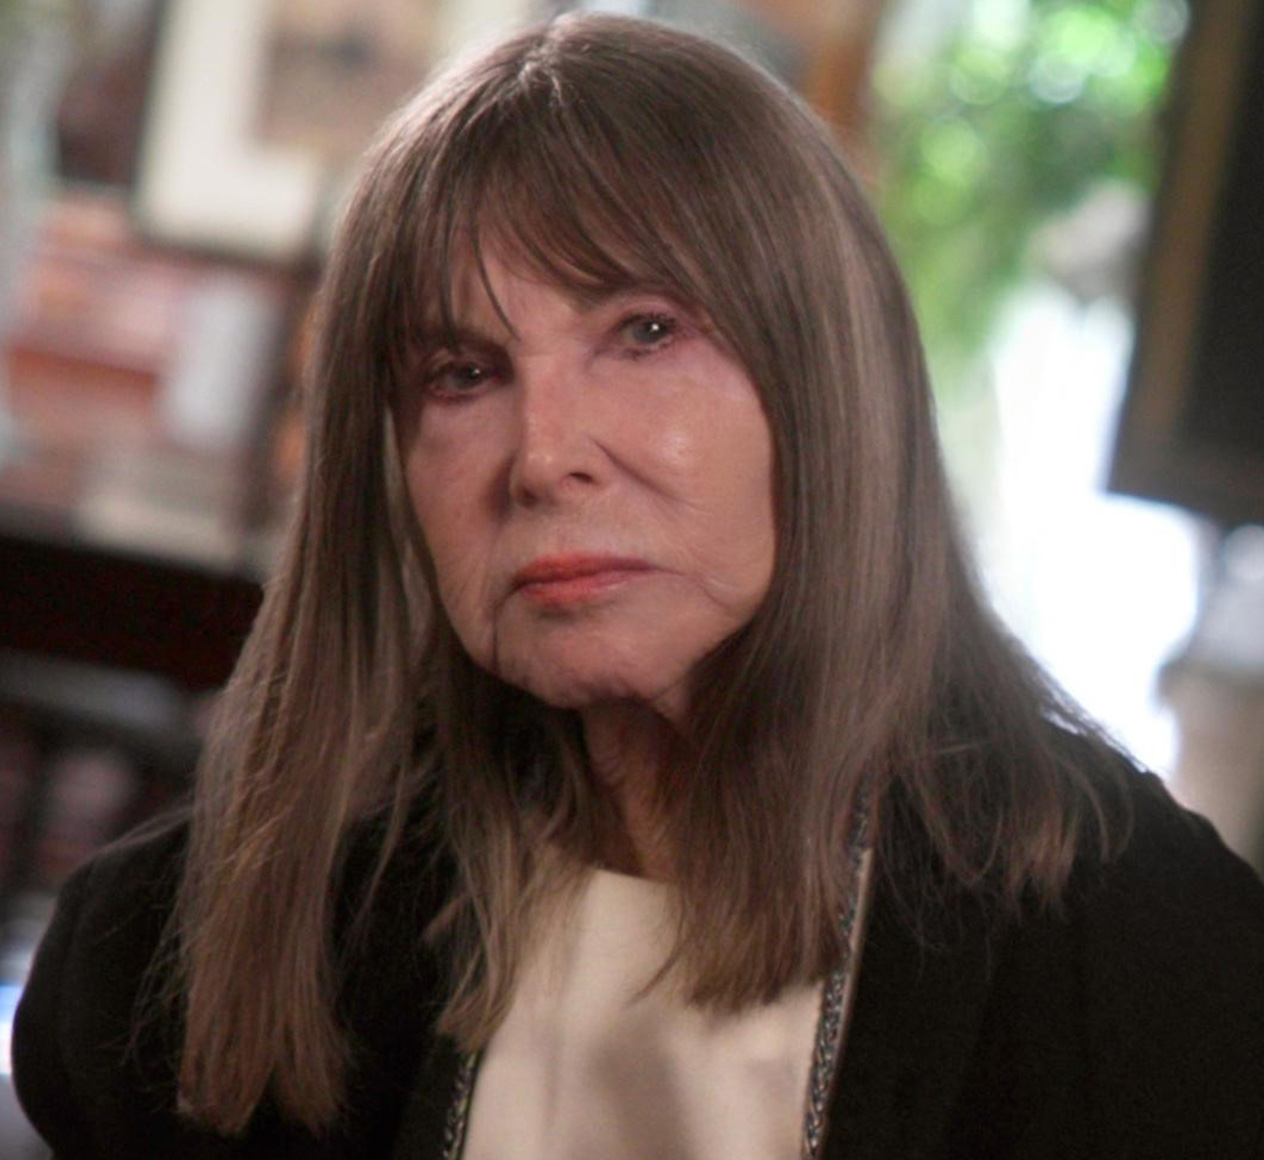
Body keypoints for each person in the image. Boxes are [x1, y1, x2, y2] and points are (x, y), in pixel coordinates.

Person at [12, 13, 1264, 1159]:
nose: (546, 451)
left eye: (647, 332)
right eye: (460, 371)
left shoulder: (1147, 964)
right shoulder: (173, 960)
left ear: (829, 387)